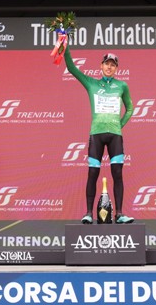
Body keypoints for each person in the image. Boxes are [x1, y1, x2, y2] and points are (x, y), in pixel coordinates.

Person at [64, 45, 135, 224]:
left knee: (117, 174)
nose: (109, 67)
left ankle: (119, 214)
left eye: (113, 65)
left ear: (116, 68)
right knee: (93, 173)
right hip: (96, 134)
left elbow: (130, 108)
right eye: (107, 64)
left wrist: (119, 125)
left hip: (115, 136)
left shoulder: (122, 85)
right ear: (101, 66)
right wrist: (65, 46)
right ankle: (88, 213)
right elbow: (71, 68)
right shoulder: (91, 83)